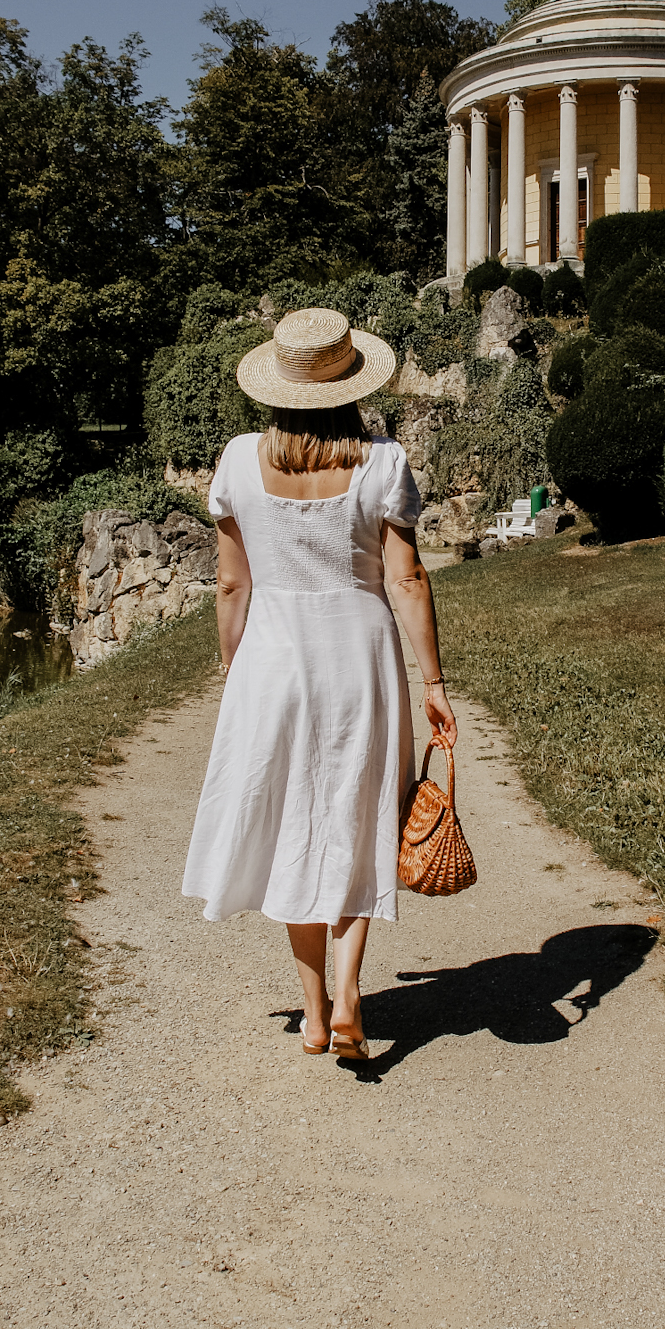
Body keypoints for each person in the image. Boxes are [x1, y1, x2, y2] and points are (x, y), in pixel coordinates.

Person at [182, 306, 457, 1063]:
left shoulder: (238, 460)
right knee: (360, 814)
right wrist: (433, 681)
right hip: (358, 658)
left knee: (287, 826)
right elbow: (405, 579)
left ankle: (311, 1016)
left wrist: (235, 667)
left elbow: (231, 587)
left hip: (272, 661)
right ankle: (347, 992)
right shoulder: (382, 462)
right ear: (351, 387)